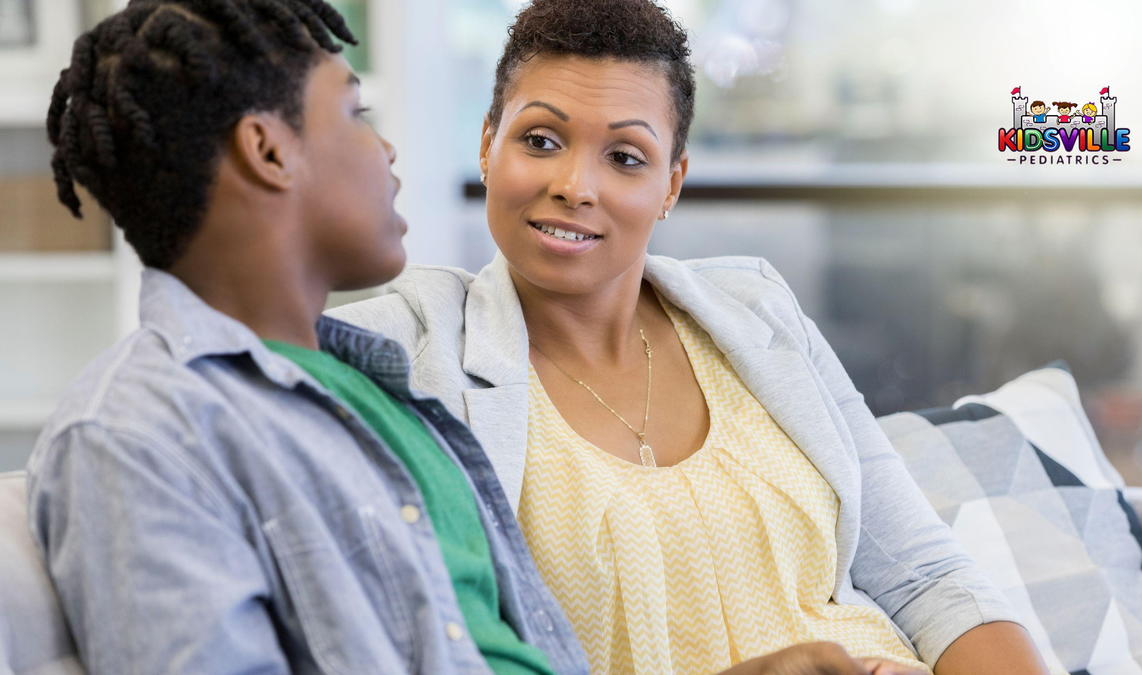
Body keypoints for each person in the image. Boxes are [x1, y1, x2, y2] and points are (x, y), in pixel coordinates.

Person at [332, 1, 1051, 674]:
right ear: (489, 146)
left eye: (625, 157)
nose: (576, 185)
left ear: (672, 183)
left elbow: (929, 576)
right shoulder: (411, 346)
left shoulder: (757, 312)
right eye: (541, 140)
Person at [27, 1, 589, 672]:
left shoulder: (374, 381)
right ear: (267, 150)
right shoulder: (136, 433)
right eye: (355, 115)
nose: (386, 148)